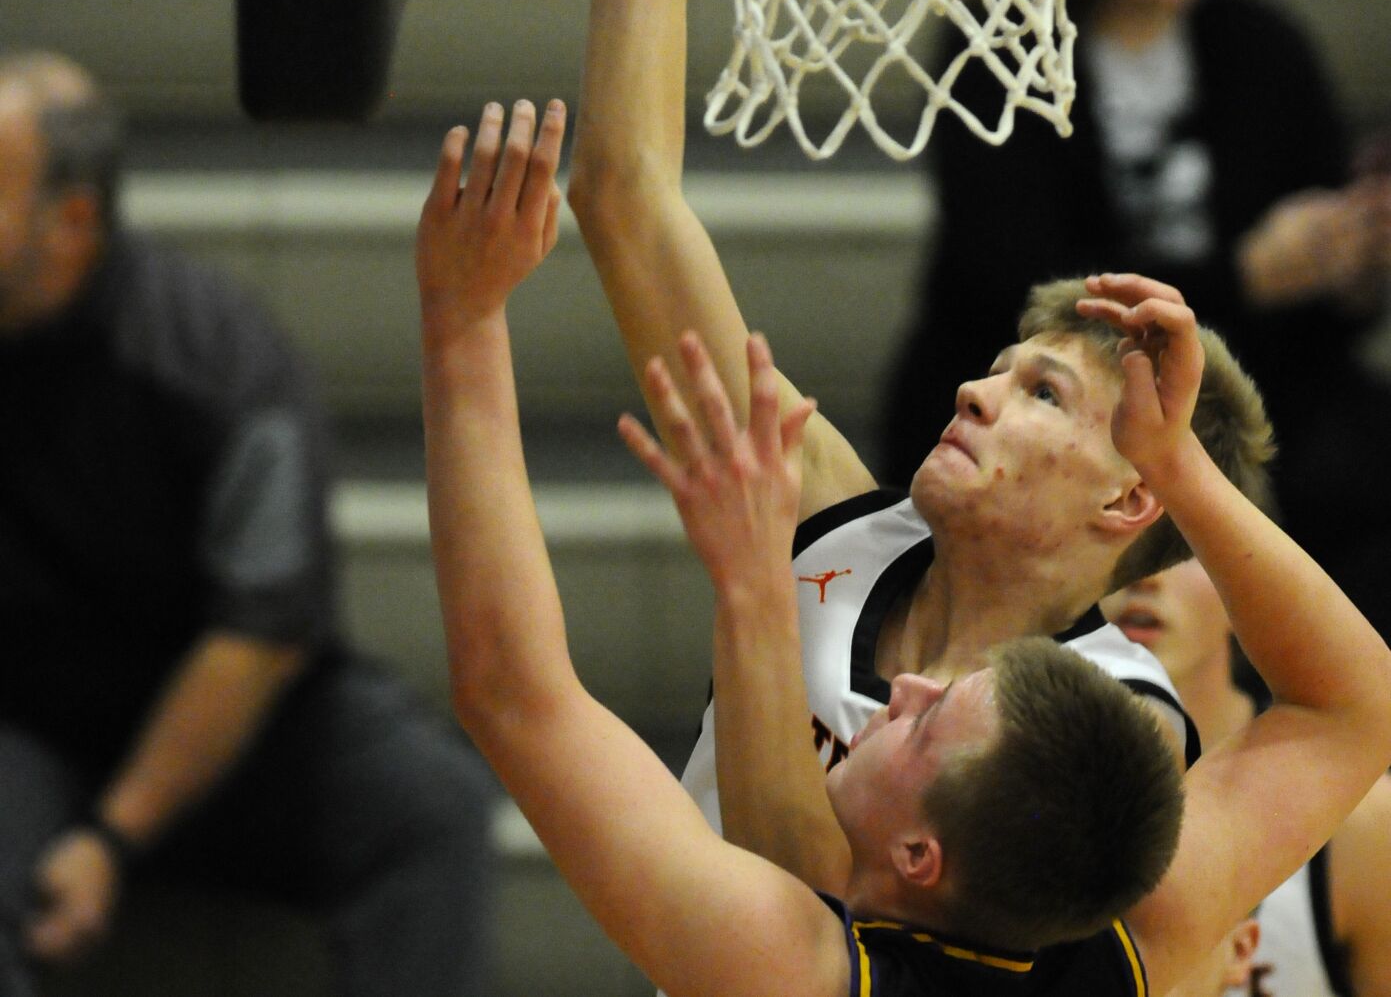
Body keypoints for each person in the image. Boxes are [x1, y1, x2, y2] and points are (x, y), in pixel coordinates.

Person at [417, 96, 1391, 997]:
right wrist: (1175, 462)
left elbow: (519, 690)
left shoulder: (784, 957)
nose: (908, 690)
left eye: (927, 719)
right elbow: (1348, 703)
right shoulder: (1128, 935)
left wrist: (463, 322)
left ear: (922, 857)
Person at [564, 0, 1279, 890]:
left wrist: (751, 596)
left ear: (1131, 492)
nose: (971, 389)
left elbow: (814, 913)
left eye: (1039, 393)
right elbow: (621, 196)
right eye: (1003, 367)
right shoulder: (832, 519)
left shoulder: (1114, 725)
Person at [0, 53, 495, 997]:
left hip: (228, 723)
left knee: (430, 806)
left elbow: (258, 637)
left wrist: (111, 837)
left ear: (68, 223)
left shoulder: (211, 362)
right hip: (22, 724)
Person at [880, 0, 1391, 645]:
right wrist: (1243, 275)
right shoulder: (1001, 50)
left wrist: (1355, 262)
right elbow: (1010, 275)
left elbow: (1322, 305)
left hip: (1241, 380)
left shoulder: (1260, 43)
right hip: (1050, 376)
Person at [1105, 558, 1391, 996]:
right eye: (1121, 544)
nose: (1144, 575)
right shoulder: (1019, 777)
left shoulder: (1363, 819)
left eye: (1177, 549)